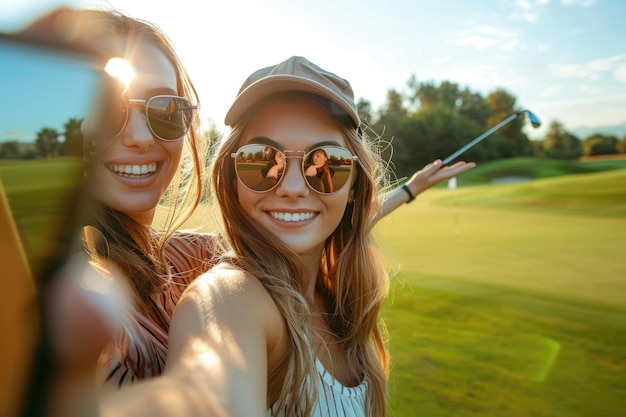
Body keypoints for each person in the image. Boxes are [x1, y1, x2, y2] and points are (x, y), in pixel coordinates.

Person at [94, 55, 477, 417]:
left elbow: (355, 223)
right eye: (261, 161)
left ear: (355, 187)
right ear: (232, 180)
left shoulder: (337, 303)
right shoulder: (230, 298)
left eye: (326, 164)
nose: (293, 187)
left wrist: (408, 190)